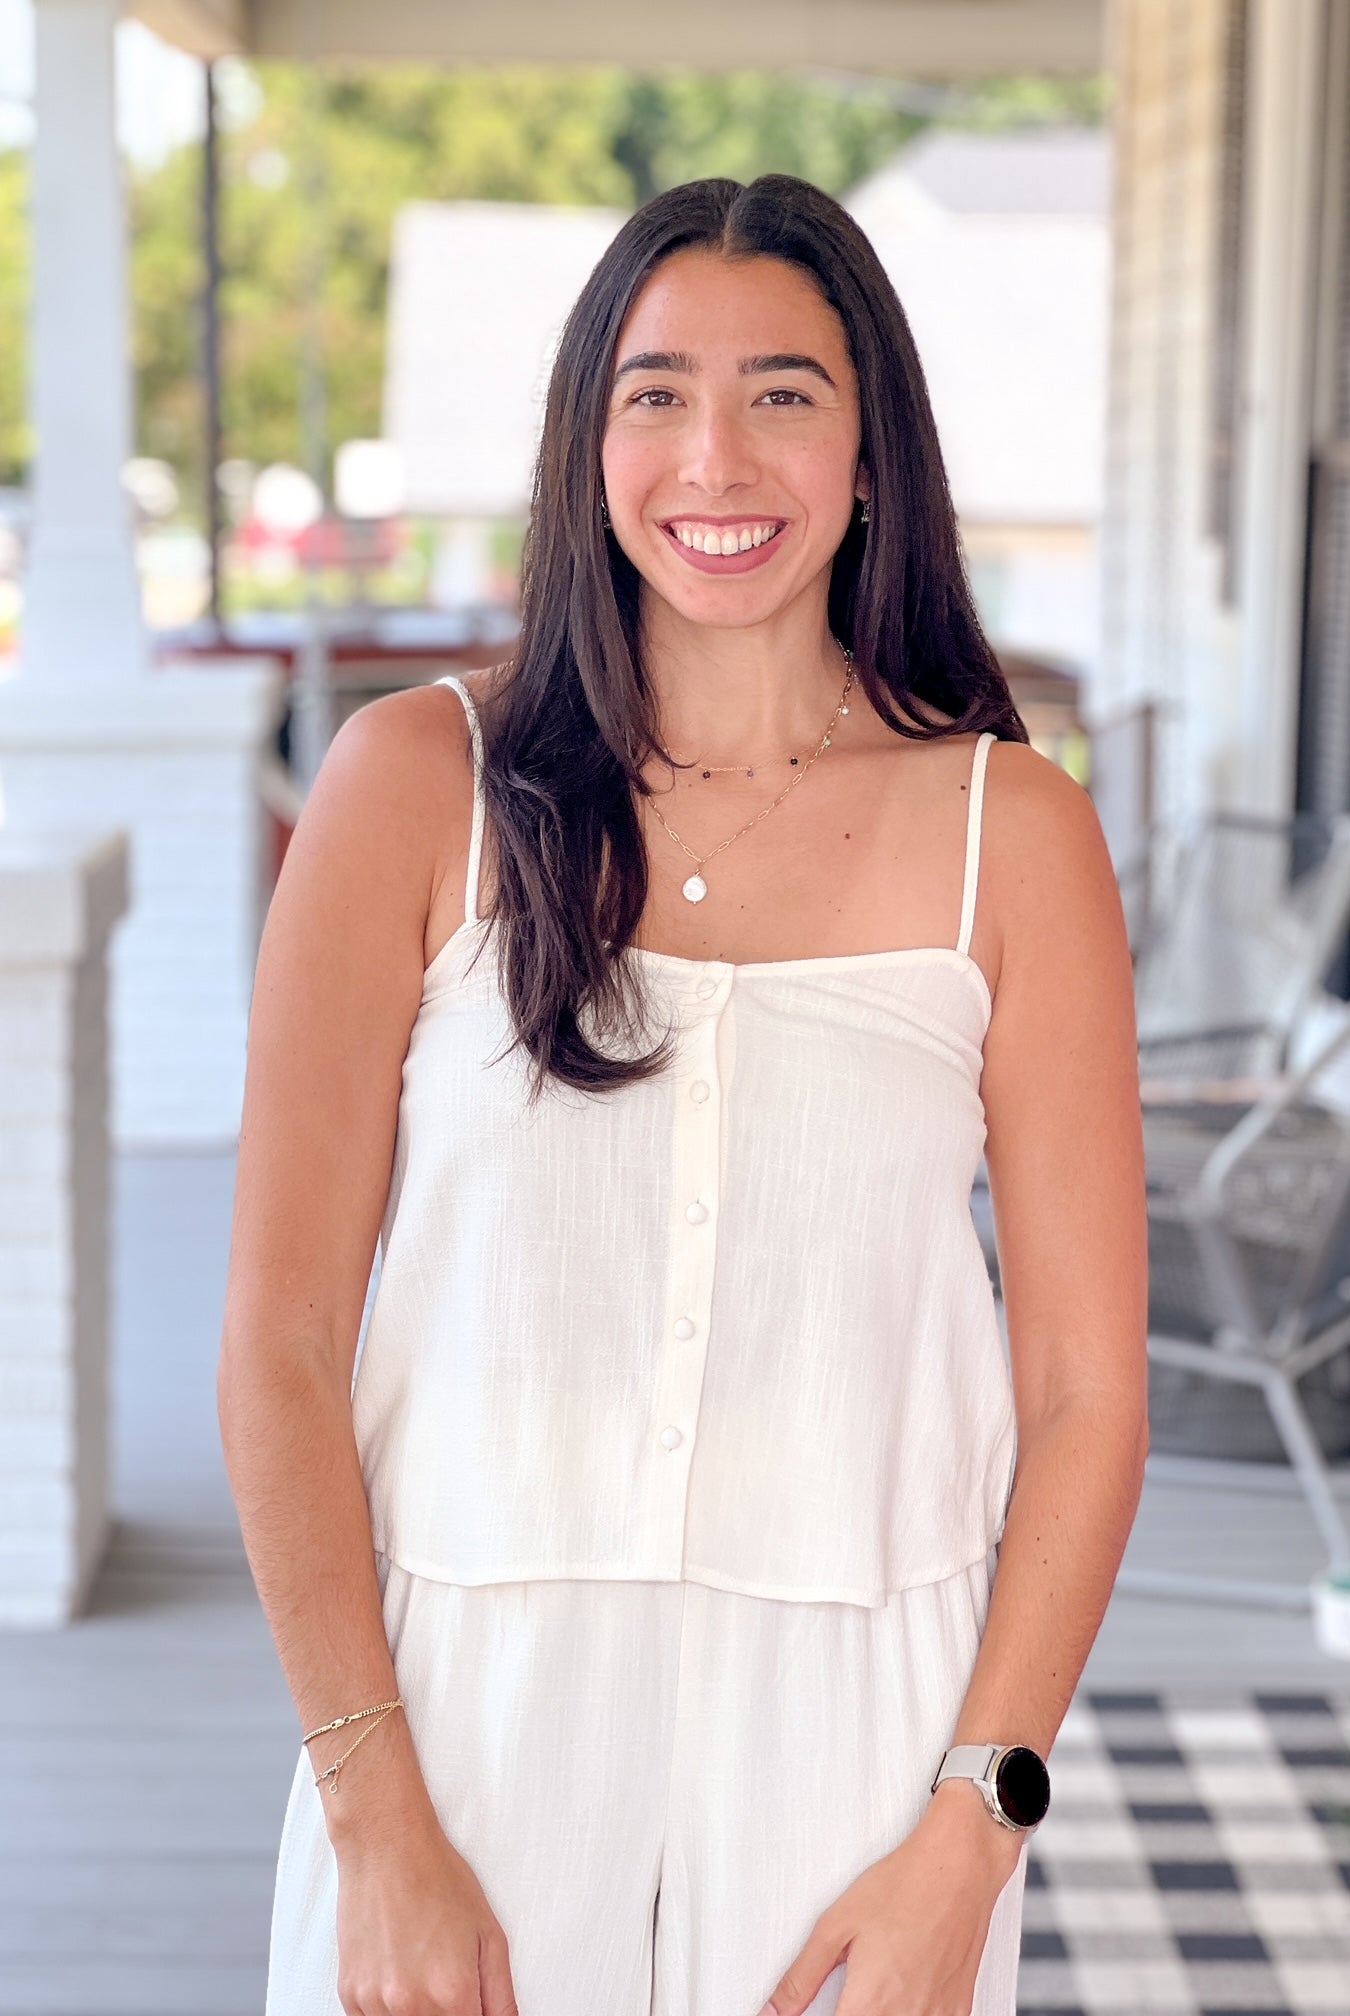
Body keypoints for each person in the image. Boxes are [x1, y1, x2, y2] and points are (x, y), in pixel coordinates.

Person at [219, 174, 1148, 2016]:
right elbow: (279, 1342)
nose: (713, 456)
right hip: (456, 1732)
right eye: (654, 393)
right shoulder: (414, 786)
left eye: (784, 392)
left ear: (872, 447)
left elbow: (1083, 1395)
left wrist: (970, 1838)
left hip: (870, 1759)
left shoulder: (1010, 837)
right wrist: (374, 1820)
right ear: (586, 442)